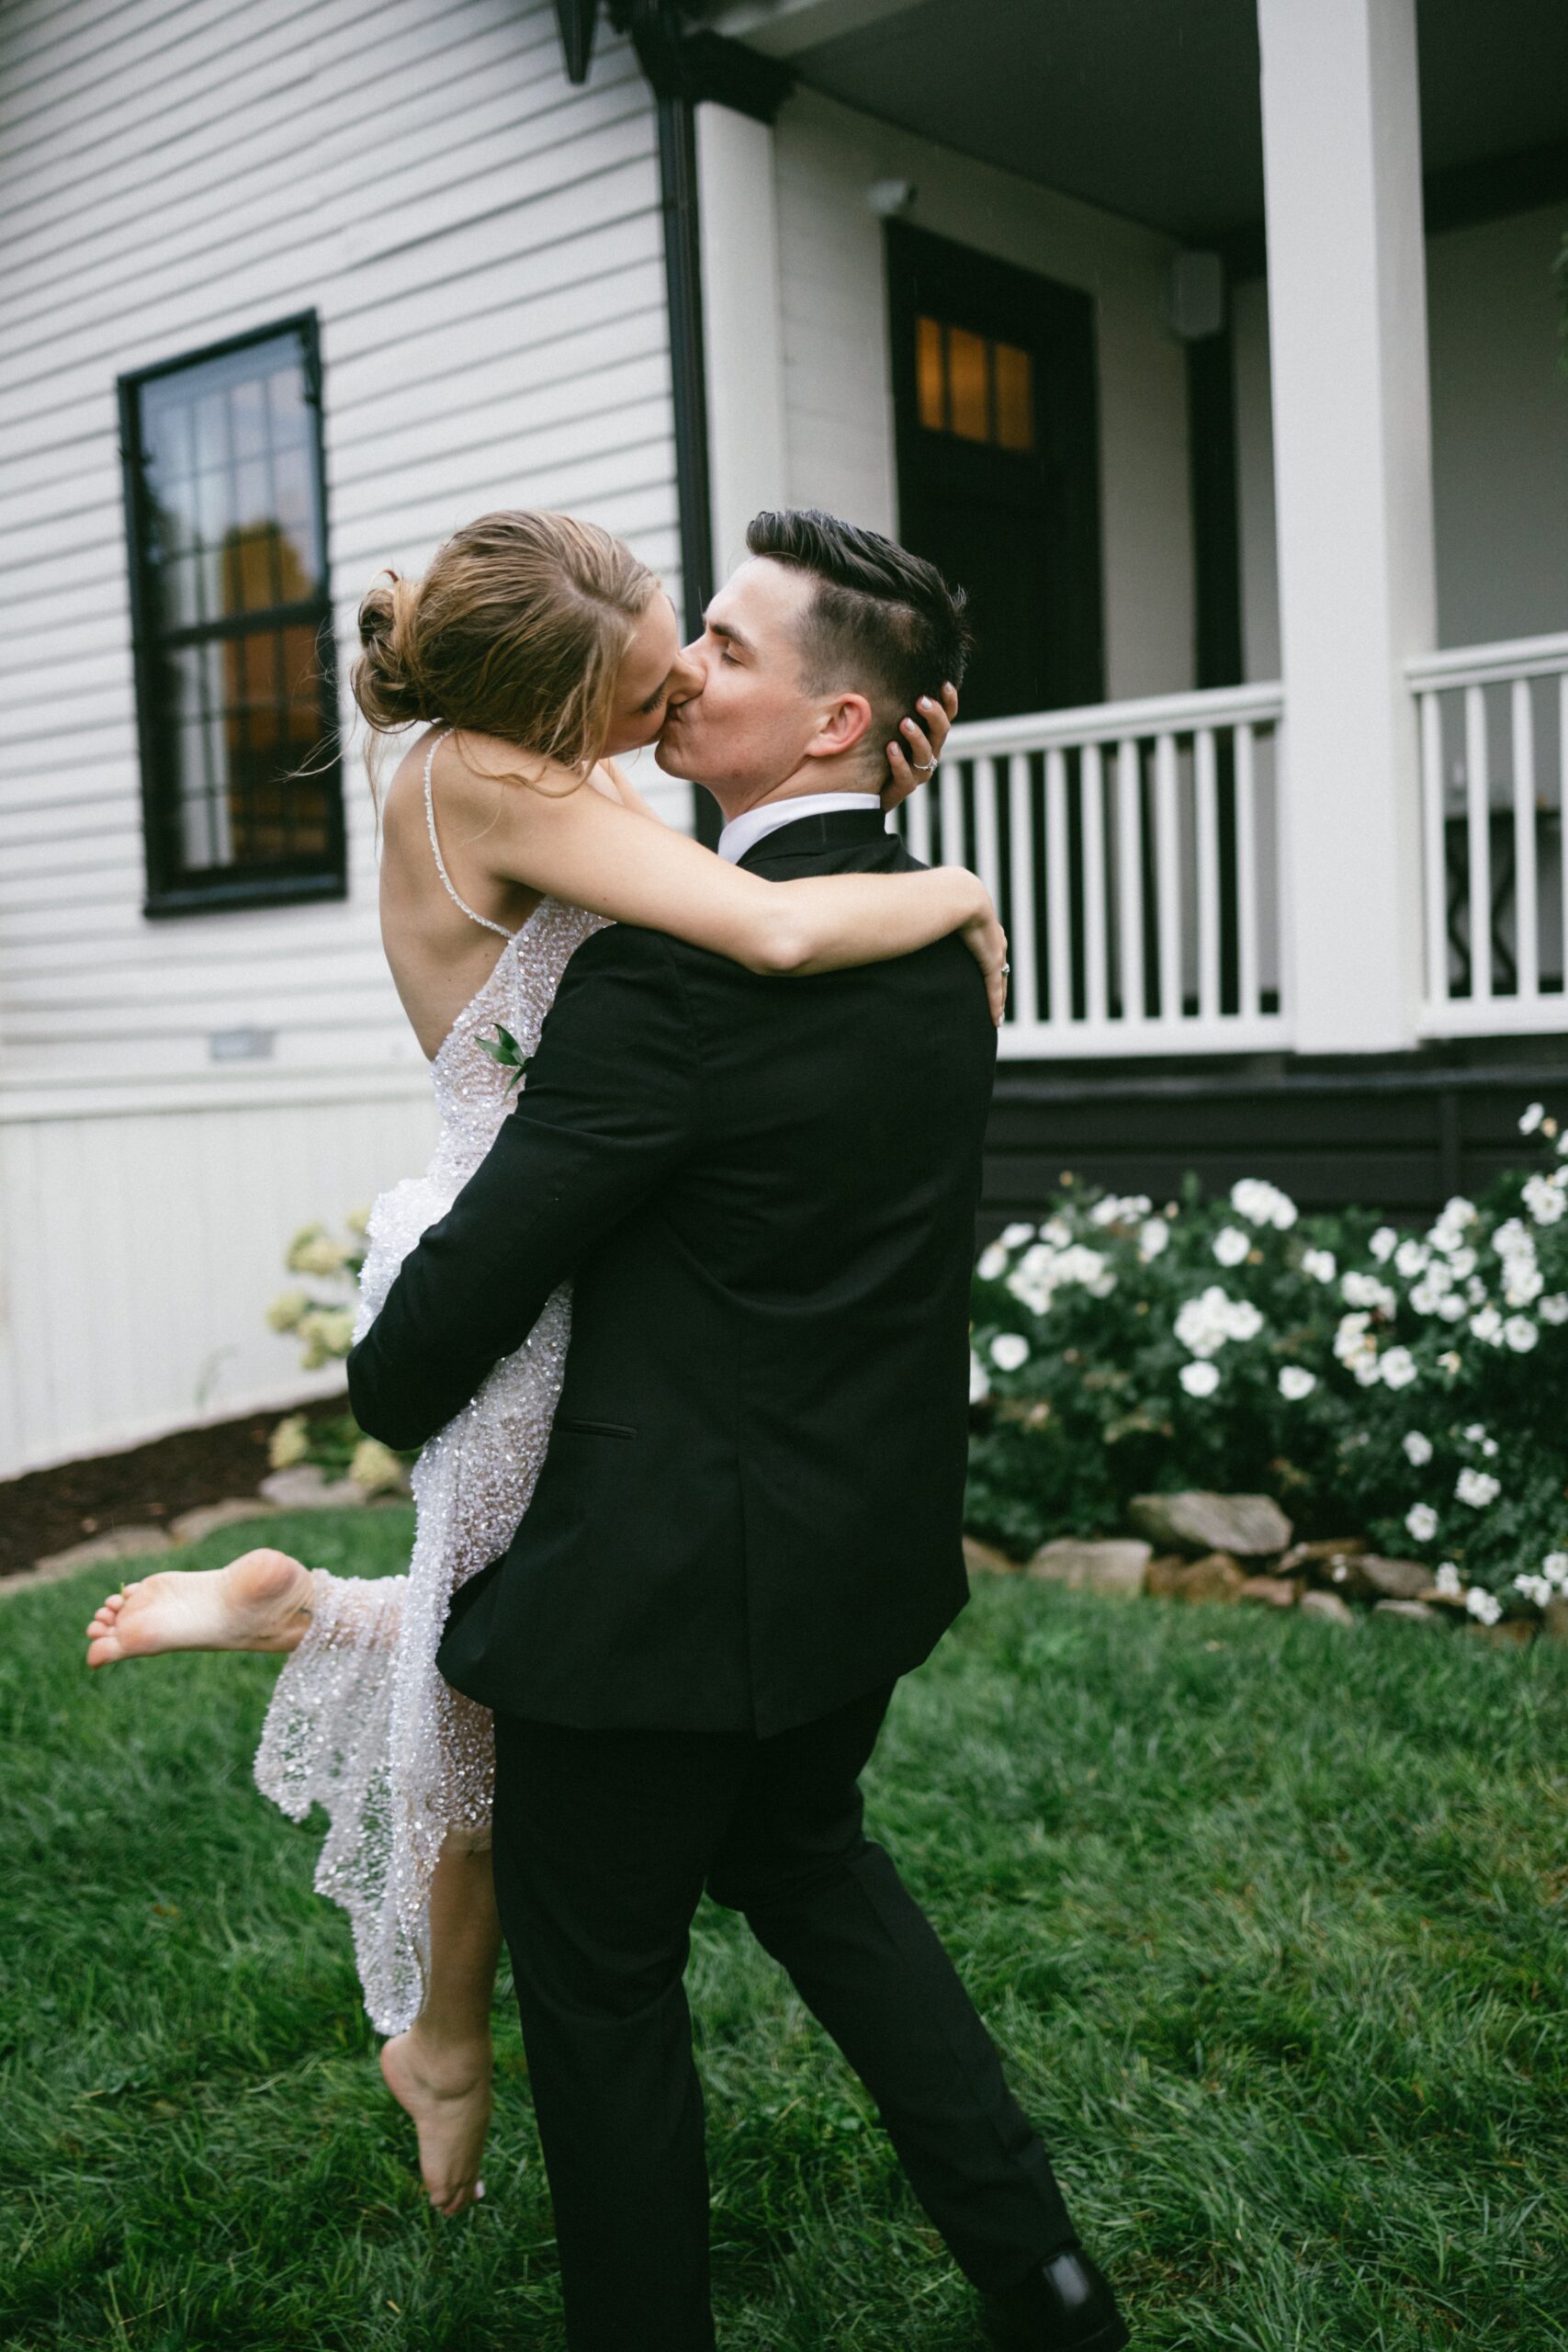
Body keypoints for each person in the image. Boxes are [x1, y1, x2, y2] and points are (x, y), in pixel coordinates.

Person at [83, 509, 995, 2219]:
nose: (682, 693)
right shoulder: (497, 790)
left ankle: (318, 1654)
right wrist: (937, 876)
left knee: (496, 1644)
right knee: (501, 1644)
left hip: (574, 1261)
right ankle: (435, 2010)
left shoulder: (568, 791)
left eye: (708, 652)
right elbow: (775, 932)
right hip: (505, 1255)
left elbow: (744, 892)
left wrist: (871, 804)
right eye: (673, 662)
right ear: (575, 698)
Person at [347, 509, 1128, 2351]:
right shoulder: (943, 950)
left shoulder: (665, 982)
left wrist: (393, 1362)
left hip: (643, 1612)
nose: (680, 666)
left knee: (606, 1998)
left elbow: (446, 1328)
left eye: (722, 643)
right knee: (813, 1866)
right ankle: (1050, 2281)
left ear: (839, 723)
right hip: (858, 1565)